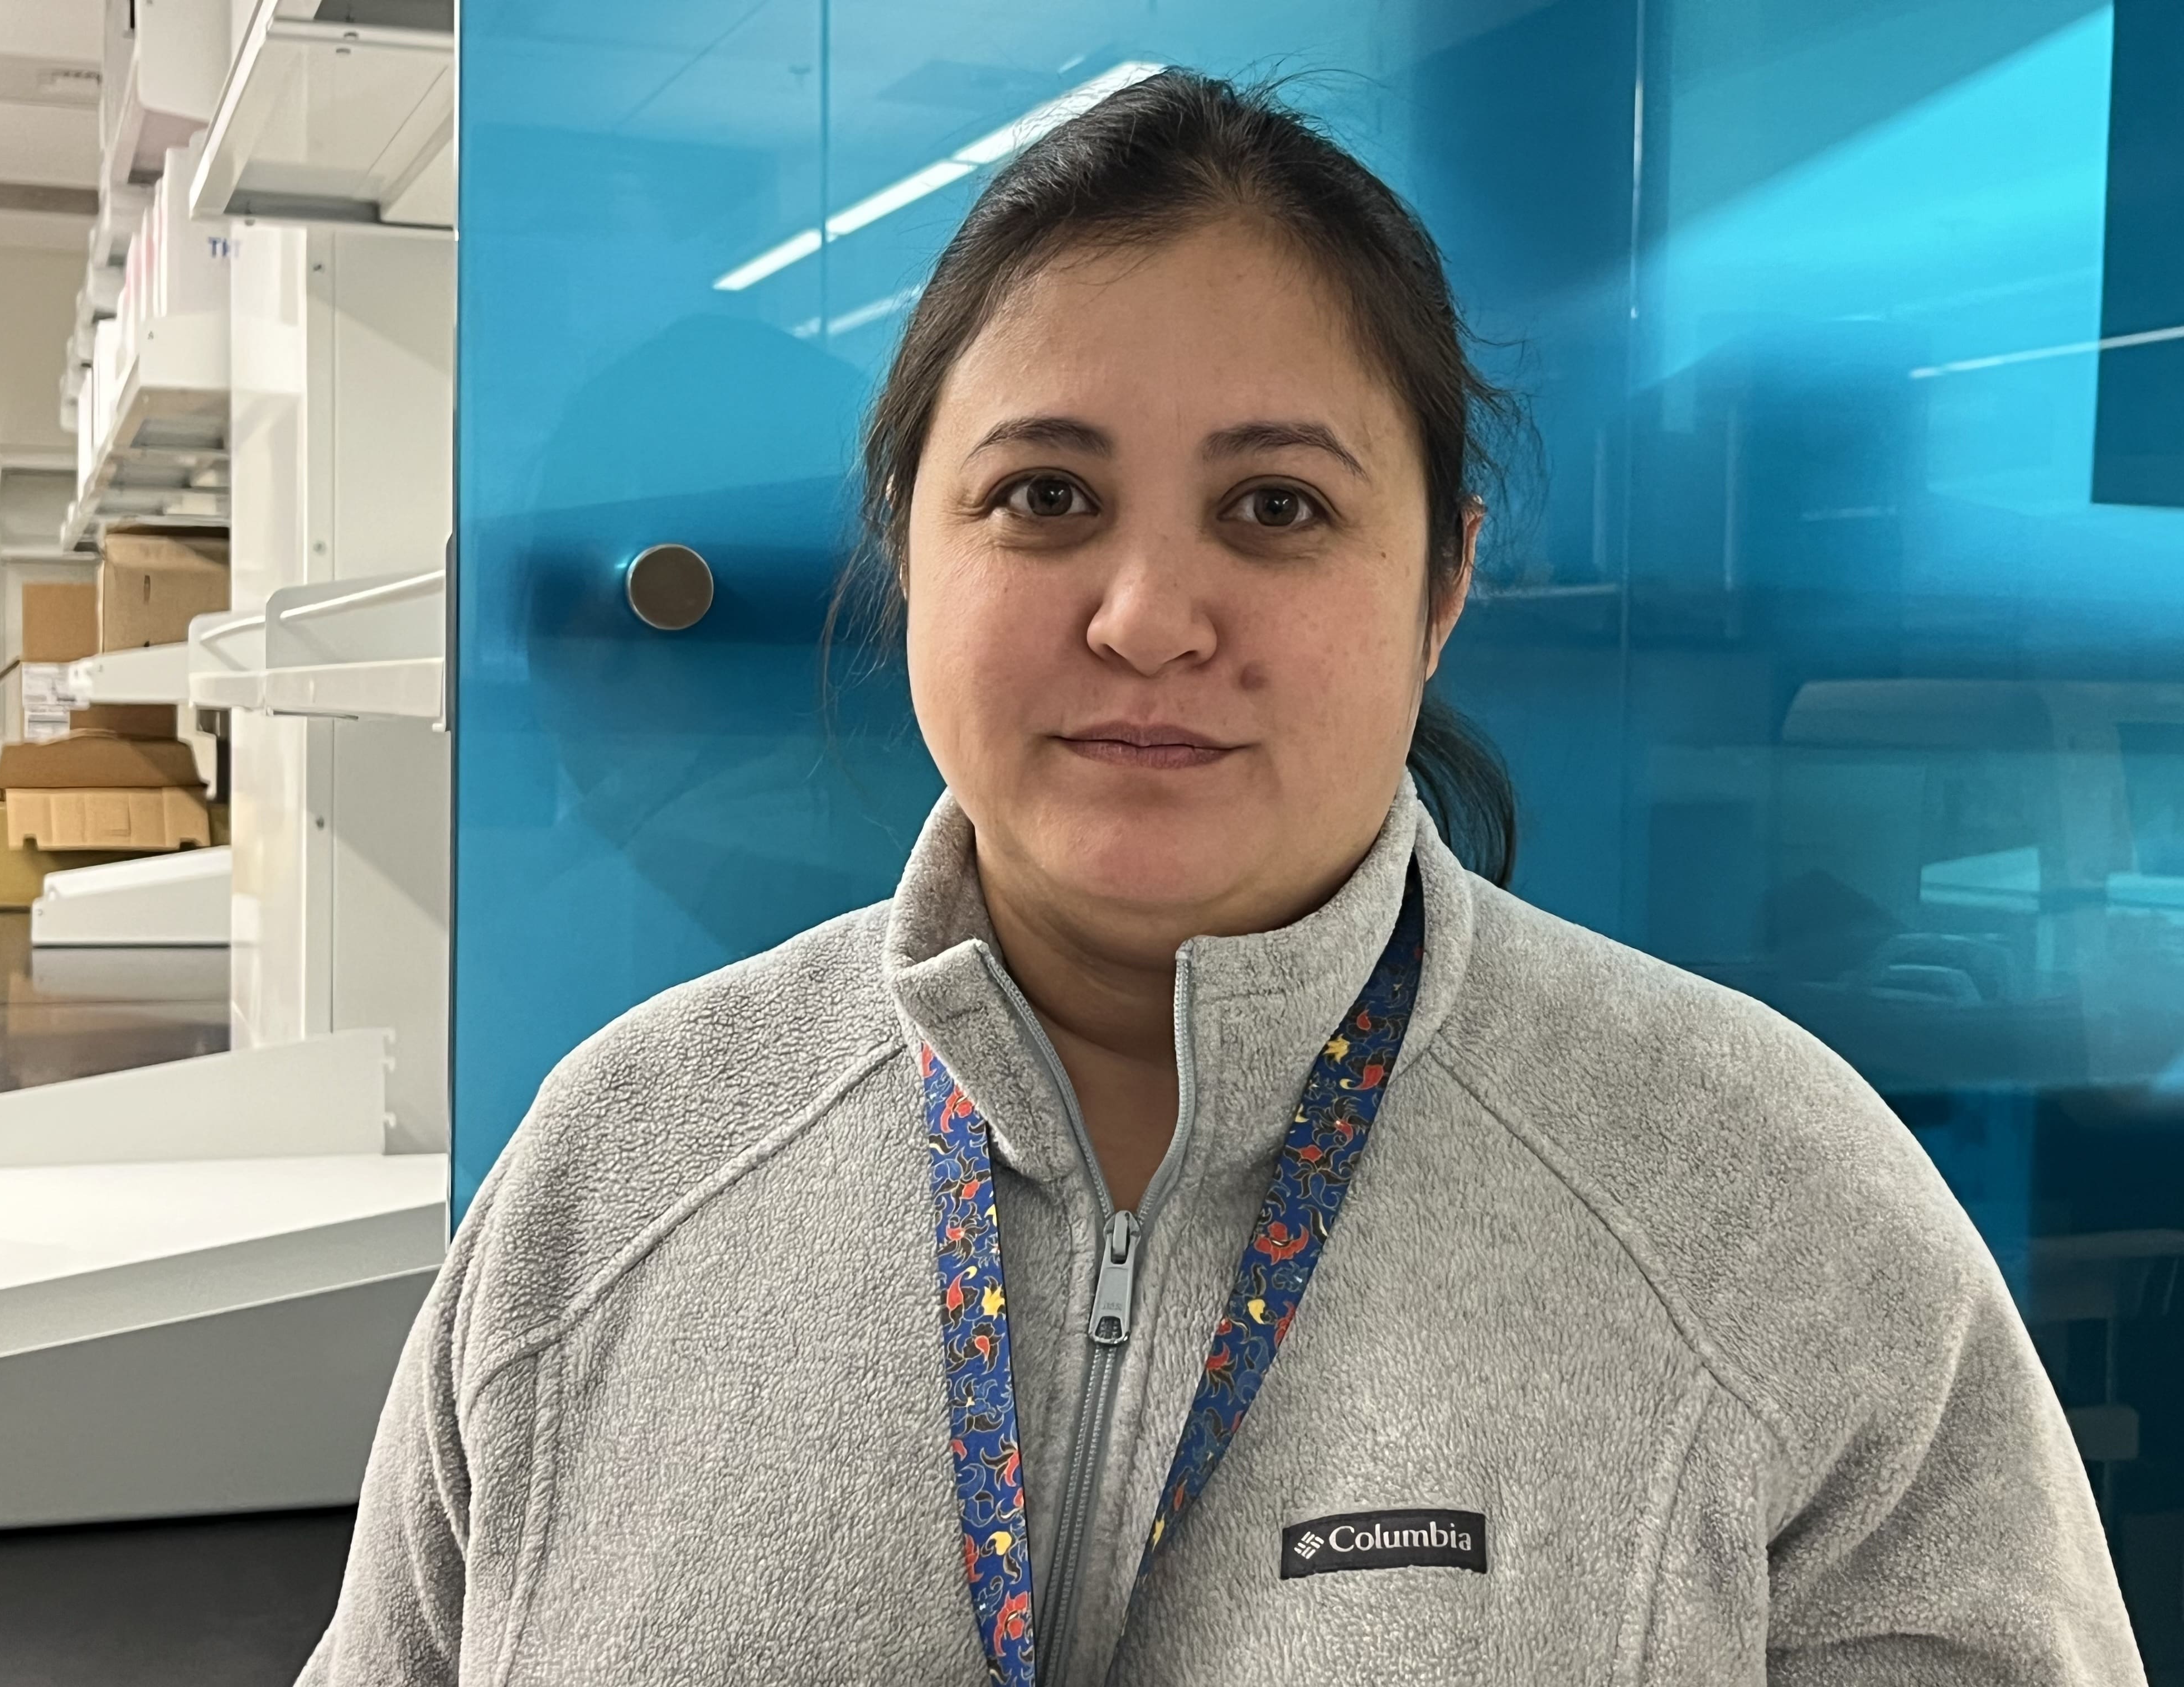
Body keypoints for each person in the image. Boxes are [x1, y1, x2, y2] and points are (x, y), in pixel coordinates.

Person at [299, 71, 2143, 1686]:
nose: (1151, 616)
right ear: (908, 558)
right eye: (1044, 497)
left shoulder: (1773, 1214)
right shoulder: (612, 1175)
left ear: (1441, 586)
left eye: (1277, 507)